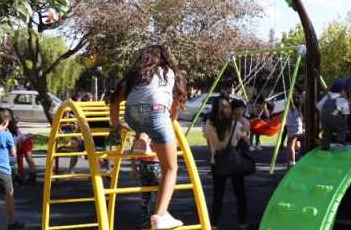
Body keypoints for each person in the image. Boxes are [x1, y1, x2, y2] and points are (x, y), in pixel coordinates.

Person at [106, 45, 188, 230]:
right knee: (170, 168)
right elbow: (175, 107)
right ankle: (160, 215)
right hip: (157, 114)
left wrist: (116, 126)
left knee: (146, 124)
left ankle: (141, 139)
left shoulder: (136, 75)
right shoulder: (170, 73)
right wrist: (169, 125)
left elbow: (115, 101)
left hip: (132, 115)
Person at [204, 97, 250, 229]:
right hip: (234, 161)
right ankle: (242, 223)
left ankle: (214, 224)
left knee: (218, 194)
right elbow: (246, 141)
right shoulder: (235, 124)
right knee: (240, 193)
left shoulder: (209, 124)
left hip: (217, 161)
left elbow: (211, 144)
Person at [132, 132, 162, 229]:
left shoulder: (140, 133)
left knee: (146, 195)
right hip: (156, 165)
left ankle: (145, 220)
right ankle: (158, 218)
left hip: (143, 165)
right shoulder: (156, 129)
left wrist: (134, 167)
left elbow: (133, 150)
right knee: (160, 194)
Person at [317, 79, 349, 150]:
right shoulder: (342, 99)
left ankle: (325, 145)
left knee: (327, 132)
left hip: (325, 120)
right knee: (343, 129)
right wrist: (344, 122)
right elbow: (346, 114)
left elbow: (318, 106)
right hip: (336, 119)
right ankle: (340, 141)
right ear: (342, 90)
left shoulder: (327, 97)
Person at [8, 117, 36, 184]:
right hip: (21, 142)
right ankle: (20, 175)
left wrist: (18, 149)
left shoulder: (13, 131)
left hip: (25, 142)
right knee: (19, 158)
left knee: (28, 158)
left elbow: (19, 142)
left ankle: (32, 174)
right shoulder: (13, 130)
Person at [284, 95, 304, 168]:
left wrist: (289, 95)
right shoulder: (299, 109)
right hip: (298, 129)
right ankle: (302, 157)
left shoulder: (292, 108)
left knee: (290, 146)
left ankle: (292, 162)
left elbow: (290, 101)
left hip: (293, 130)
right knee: (297, 145)